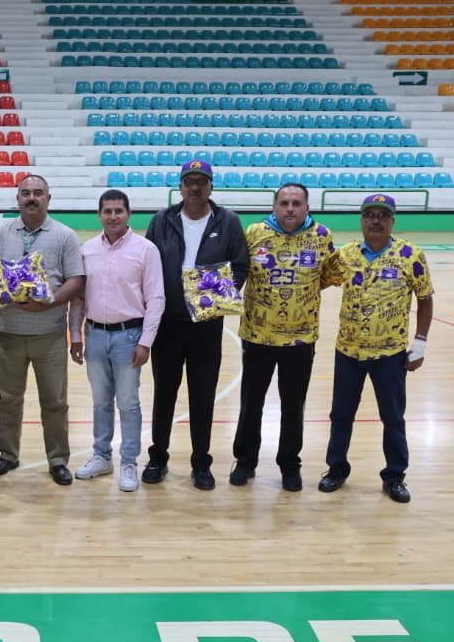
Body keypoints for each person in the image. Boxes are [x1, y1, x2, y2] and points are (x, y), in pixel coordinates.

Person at [318, 193, 434, 504]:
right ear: (362, 220)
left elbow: (425, 298)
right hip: (349, 351)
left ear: (392, 220)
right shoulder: (346, 255)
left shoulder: (410, 255)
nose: (375, 220)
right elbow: (318, 281)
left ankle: (394, 476)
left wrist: (420, 342)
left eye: (383, 215)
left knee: (393, 417)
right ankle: (336, 470)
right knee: (341, 414)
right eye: (370, 214)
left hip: (390, 354)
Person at [142, 159, 249, 490]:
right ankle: (158, 457)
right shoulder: (162, 220)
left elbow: (240, 266)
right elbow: (147, 263)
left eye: (201, 181)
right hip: (168, 324)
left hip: (207, 325)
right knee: (164, 394)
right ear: (181, 186)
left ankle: (201, 463)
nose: (195, 187)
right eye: (189, 181)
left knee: (202, 396)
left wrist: (214, 298)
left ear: (211, 186)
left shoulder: (228, 221)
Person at [0, 174, 85, 485]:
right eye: (26, 193)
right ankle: (8, 454)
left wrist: (48, 301)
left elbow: (76, 280)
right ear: (18, 199)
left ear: (48, 198)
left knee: (55, 402)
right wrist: (8, 288)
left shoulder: (65, 235)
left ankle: (58, 459)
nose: (32, 198)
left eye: (38, 193)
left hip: (50, 334)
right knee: (8, 399)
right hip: (8, 332)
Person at [231, 183, 336, 492]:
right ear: (275, 206)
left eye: (296, 203)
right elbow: (239, 272)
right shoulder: (254, 233)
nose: (290, 208)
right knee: (251, 403)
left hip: (300, 339)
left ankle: (290, 464)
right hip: (257, 336)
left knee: (293, 405)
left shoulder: (321, 236)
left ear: (307, 207)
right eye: (284, 203)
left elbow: (327, 276)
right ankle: (245, 461)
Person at [67, 190, 165, 493]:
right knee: (100, 401)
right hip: (95, 334)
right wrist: (75, 335)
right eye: (107, 211)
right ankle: (101, 456)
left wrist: (146, 341)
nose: (113, 216)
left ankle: (129, 462)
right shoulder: (87, 250)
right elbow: (78, 298)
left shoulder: (146, 250)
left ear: (128, 214)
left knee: (128, 402)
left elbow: (156, 298)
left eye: (118, 211)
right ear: (99, 215)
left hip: (129, 336)